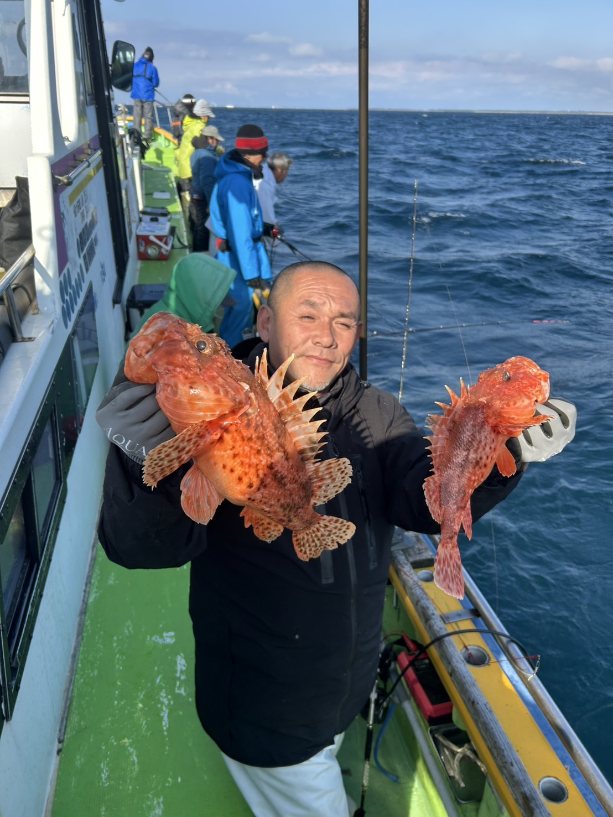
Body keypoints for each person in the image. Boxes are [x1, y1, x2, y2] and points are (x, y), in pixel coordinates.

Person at [96, 260, 576, 817]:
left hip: (347, 685)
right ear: (266, 322)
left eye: (344, 322)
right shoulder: (210, 404)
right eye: (308, 315)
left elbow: (420, 499)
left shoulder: (377, 411)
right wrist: (142, 461)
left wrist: (502, 453)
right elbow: (141, 549)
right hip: (264, 710)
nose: (327, 336)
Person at [209, 124, 272, 346]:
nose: (265, 157)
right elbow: (239, 233)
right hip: (239, 265)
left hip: (237, 260)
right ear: (248, 154)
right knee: (240, 312)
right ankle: (232, 358)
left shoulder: (236, 177)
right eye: (262, 152)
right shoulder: (237, 183)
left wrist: (264, 228)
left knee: (240, 313)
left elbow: (242, 222)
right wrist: (251, 275)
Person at [175, 98, 215, 216]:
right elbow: (201, 147)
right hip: (190, 168)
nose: (209, 119)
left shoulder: (190, 124)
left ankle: (189, 217)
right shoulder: (199, 128)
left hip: (183, 166)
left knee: (188, 196)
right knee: (195, 202)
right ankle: (194, 221)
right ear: (204, 116)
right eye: (208, 116)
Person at [189, 125, 224, 253]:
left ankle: (195, 253)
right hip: (202, 198)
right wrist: (211, 203)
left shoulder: (197, 152)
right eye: (216, 139)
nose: (218, 142)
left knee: (197, 227)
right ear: (210, 139)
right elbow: (207, 182)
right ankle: (201, 255)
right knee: (203, 229)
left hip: (195, 195)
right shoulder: (207, 157)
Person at [255, 151, 293, 238]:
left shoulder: (263, 170)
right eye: (287, 170)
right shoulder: (266, 186)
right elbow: (268, 219)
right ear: (280, 170)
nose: (286, 175)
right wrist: (276, 233)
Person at [130, 47, 159, 142]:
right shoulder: (152, 68)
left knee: (137, 115)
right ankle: (147, 136)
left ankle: (136, 135)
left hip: (136, 94)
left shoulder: (134, 66)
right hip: (148, 95)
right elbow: (156, 83)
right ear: (151, 57)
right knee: (148, 116)